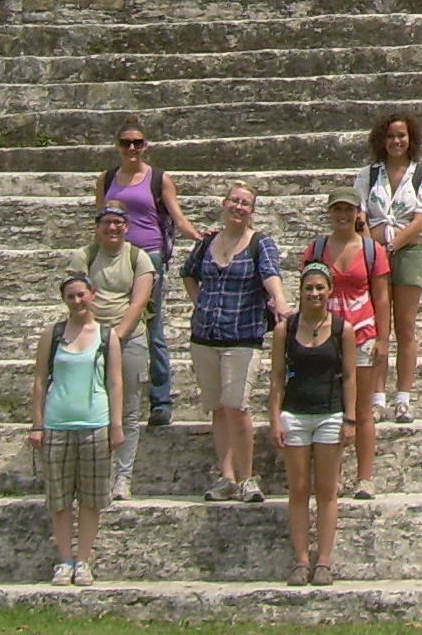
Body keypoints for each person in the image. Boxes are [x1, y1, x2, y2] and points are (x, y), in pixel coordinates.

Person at [181, 181, 290, 503]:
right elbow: (188, 273)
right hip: (204, 336)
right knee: (217, 408)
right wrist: (199, 302)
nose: (238, 207)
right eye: (234, 200)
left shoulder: (260, 243)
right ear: (224, 203)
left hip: (242, 335)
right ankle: (225, 477)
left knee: (237, 405)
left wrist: (280, 302)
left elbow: (271, 275)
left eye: (245, 203)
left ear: (252, 211)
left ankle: (246, 477)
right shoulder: (206, 243)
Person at [94, 119, 200, 426]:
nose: (131, 148)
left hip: (148, 258)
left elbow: (177, 216)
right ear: (117, 146)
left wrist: (198, 237)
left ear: (146, 146)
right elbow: (100, 219)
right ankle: (107, 396)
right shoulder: (107, 178)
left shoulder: (159, 178)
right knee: (106, 322)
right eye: (126, 142)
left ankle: (160, 400)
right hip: (115, 257)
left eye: (137, 143)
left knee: (153, 328)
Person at [27, 274, 124, 586]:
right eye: (71, 296)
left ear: (92, 295)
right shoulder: (52, 334)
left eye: (81, 295)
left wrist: (116, 426)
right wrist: (37, 424)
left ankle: (83, 560)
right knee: (59, 498)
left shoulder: (107, 337)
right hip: (57, 424)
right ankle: (65, 560)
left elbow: (115, 383)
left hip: (95, 423)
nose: (77, 301)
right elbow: (40, 381)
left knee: (91, 499)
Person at [271, 261, 358, 586]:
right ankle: (301, 560)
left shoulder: (342, 330)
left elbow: (349, 377)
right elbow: (277, 379)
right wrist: (275, 418)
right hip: (294, 414)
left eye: (320, 287)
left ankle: (323, 560)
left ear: (330, 291)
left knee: (326, 491)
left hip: (329, 414)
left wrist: (350, 419)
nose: (314, 293)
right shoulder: (286, 330)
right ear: (301, 291)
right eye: (309, 288)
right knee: (298, 490)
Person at [352, 112, 422, 425]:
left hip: (408, 253)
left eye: (401, 136)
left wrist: (390, 245)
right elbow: (359, 215)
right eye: (390, 136)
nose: (396, 141)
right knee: (378, 329)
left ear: (410, 139)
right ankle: (377, 398)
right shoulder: (368, 174)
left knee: (405, 327)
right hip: (374, 255)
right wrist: (370, 248)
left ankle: (403, 398)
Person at [303, 190, 391, 499]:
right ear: (329, 212)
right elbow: (308, 291)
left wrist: (383, 338)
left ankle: (364, 477)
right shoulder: (316, 248)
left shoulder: (372, 250)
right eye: (337, 209)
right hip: (326, 334)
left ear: (358, 213)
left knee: (362, 409)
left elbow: (381, 297)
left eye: (348, 209)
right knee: (332, 408)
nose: (342, 215)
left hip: (363, 333)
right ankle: (333, 477)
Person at [77, 202, 154, 500]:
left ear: (127, 226)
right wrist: (95, 333)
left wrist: (117, 336)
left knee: (128, 411)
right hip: (90, 335)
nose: (112, 228)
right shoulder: (84, 256)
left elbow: (139, 301)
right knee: (92, 407)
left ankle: (123, 477)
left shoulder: (139, 258)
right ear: (98, 226)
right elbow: (77, 296)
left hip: (129, 337)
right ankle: (94, 475)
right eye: (107, 222)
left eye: (118, 222)